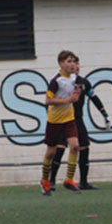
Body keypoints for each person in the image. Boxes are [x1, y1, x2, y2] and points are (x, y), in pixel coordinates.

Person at [50, 56, 110, 191]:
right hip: (63, 119)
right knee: (59, 149)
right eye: (71, 63)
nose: (75, 66)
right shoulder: (60, 81)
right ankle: (51, 180)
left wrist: (104, 114)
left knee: (84, 148)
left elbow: (94, 97)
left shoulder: (83, 83)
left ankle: (83, 181)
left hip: (77, 119)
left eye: (77, 63)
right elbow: (50, 100)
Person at [40, 50, 82, 195]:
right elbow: (48, 101)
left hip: (68, 118)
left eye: (73, 61)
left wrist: (77, 94)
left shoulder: (74, 77)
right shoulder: (56, 81)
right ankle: (45, 180)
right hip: (55, 120)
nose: (72, 64)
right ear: (61, 64)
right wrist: (67, 100)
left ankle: (68, 180)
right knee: (51, 152)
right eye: (69, 61)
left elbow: (77, 89)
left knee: (75, 146)